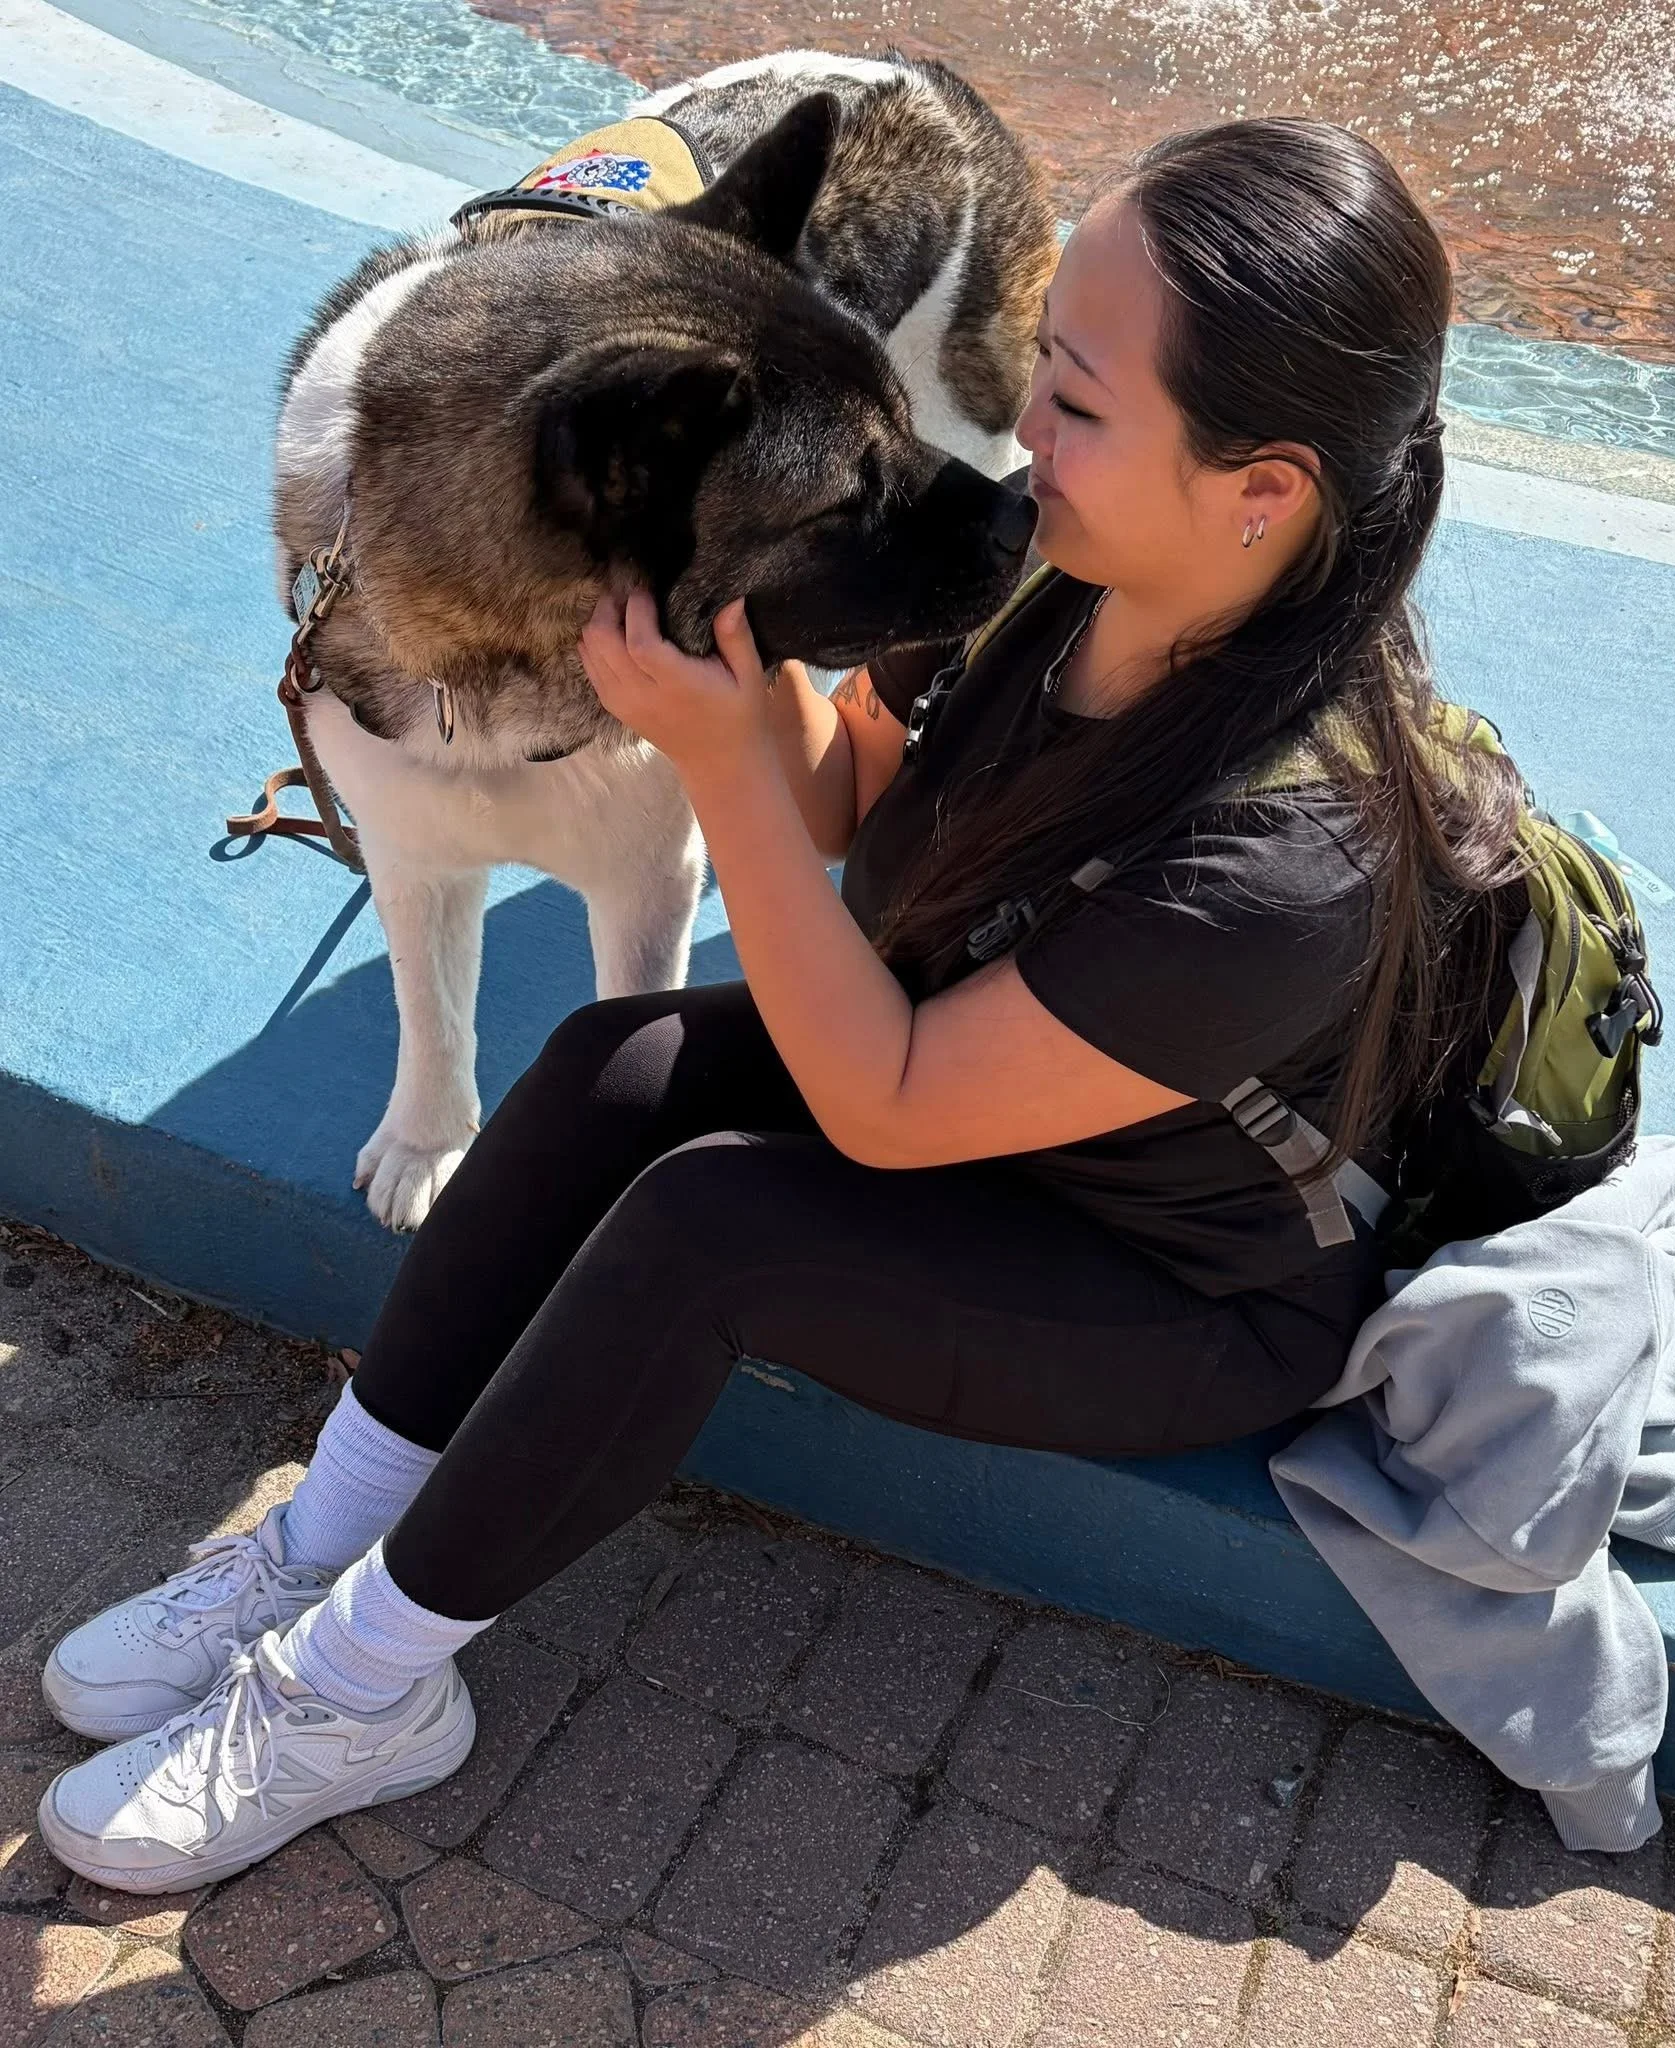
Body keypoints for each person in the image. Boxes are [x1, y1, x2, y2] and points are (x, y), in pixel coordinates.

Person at [38, 118, 1527, 1892]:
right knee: (616, 1059)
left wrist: (708, 761)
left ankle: (366, 1688)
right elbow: (853, 801)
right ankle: (324, 1539)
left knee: (712, 1225)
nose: (1014, 425)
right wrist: (708, 643)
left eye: (1071, 395)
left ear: (1258, 486)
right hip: (999, 1116)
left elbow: (886, 1096)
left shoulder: (1293, 855)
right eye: (1040, 359)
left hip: (1170, 1284)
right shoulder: (1073, 578)